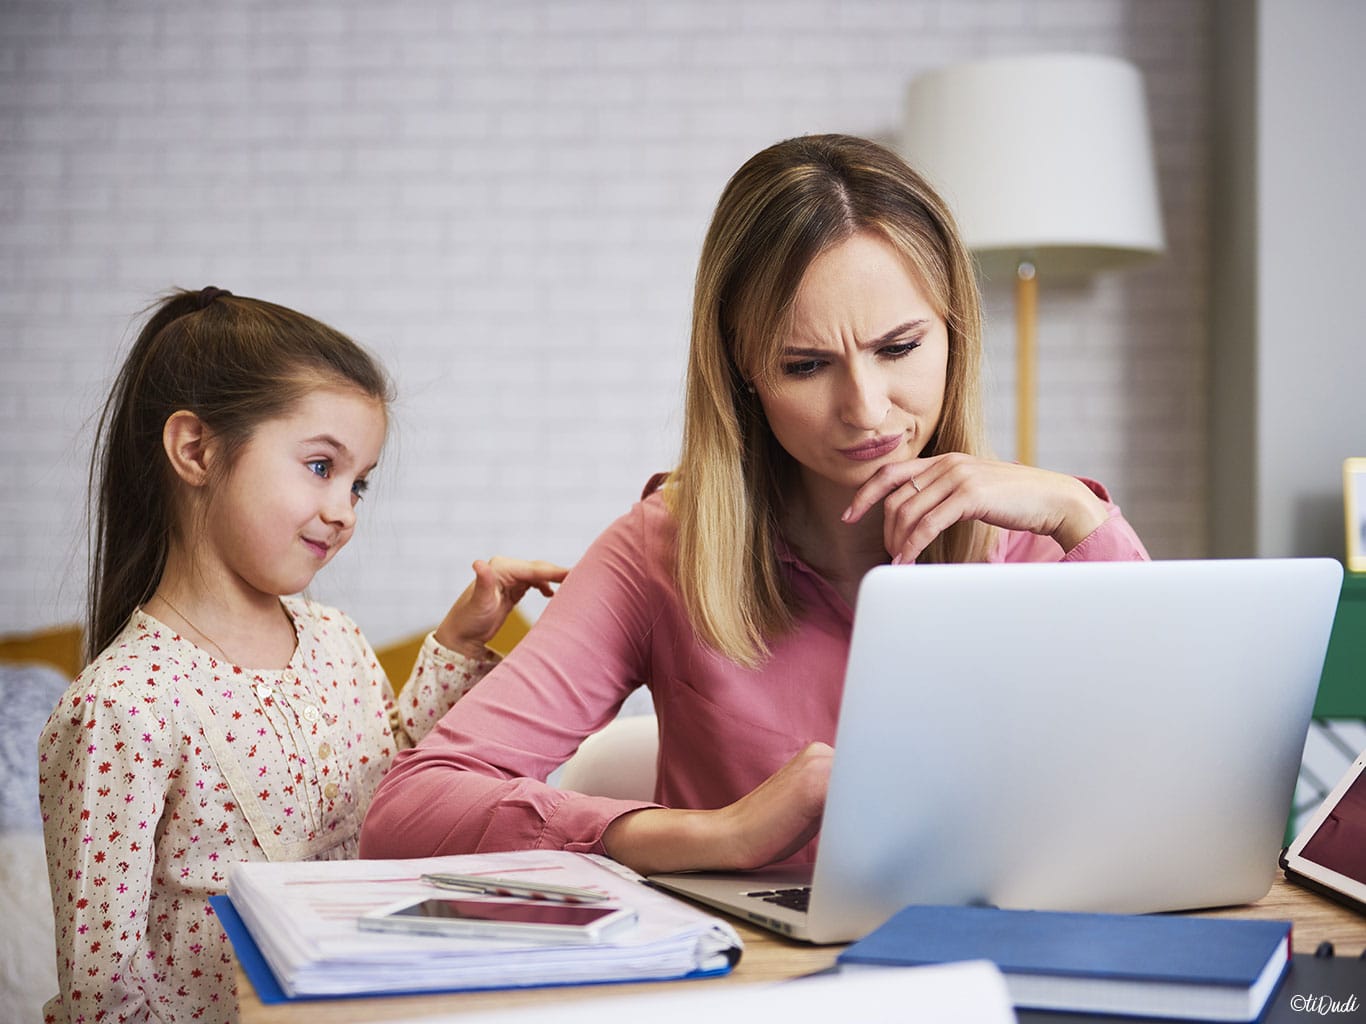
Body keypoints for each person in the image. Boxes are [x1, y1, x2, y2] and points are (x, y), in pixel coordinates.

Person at [360, 134, 1148, 878]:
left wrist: (1079, 513)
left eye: (899, 349)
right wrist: (716, 833)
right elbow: (410, 811)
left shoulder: (1044, 536)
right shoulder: (660, 551)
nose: (867, 408)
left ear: (956, 332)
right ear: (742, 372)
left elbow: (1184, 769)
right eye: (806, 365)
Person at [37, 287, 565, 1024]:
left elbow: (382, 798)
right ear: (196, 450)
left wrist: (458, 644)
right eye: (321, 467)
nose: (345, 510)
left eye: (360, 483)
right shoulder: (122, 705)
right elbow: (104, 990)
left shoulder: (336, 642)